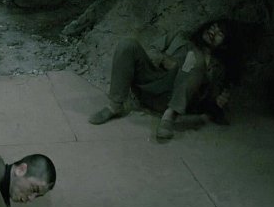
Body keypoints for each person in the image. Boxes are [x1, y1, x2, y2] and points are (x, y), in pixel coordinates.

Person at [88, 19, 234, 141]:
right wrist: (164, 60)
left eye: (220, 33)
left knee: (195, 59)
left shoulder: (217, 67)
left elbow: (207, 101)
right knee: (127, 44)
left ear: (225, 43)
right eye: (213, 27)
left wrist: (217, 103)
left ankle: (168, 117)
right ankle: (114, 106)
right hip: (151, 83)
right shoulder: (180, 37)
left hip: (171, 100)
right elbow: (152, 49)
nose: (213, 32)